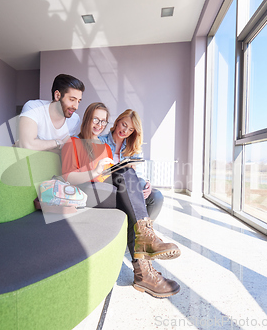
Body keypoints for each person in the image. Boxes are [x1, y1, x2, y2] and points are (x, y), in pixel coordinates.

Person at [61, 102, 181, 298]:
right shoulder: (72, 142)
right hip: (84, 192)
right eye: (96, 119)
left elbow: (109, 178)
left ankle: (144, 269)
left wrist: (135, 181)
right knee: (132, 197)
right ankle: (145, 265)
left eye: (103, 120)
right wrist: (96, 171)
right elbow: (68, 177)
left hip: (104, 191)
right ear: (87, 118)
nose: (99, 124)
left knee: (128, 178)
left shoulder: (104, 149)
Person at [99, 109, 164, 221]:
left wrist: (147, 184)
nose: (125, 131)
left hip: (131, 186)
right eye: (124, 125)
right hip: (111, 183)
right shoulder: (101, 141)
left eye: (130, 129)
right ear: (117, 121)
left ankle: (145, 231)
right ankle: (142, 232)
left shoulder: (133, 148)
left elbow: (139, 175)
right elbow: (97, 171)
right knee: (130, 176)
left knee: (156, 196)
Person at [18, 74, 84, 152]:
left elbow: (65, 151)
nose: (76, 107)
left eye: (79, 101)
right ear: (57, 96)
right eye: (72, 100)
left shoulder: (74, 119)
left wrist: (38, 145)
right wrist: (58, 143)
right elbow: (26, 145)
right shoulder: (33, 107)